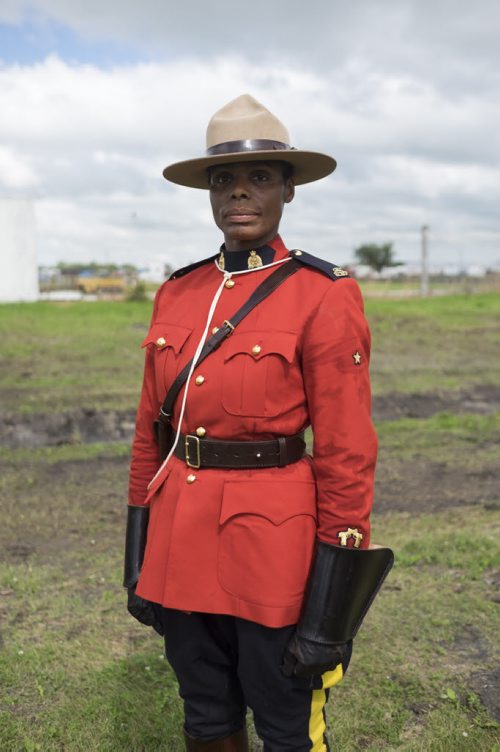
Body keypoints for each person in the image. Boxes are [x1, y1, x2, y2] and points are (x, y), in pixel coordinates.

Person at [124, 94, 393, 752]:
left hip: (273, 549)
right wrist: (137, 555)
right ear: (209, 192)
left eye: (260, 177)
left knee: (283, 720)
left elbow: (346, 455)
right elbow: (148, 436)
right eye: (223, 179)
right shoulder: (178, 291)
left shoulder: (322, 294)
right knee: (206, 712)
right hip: (179, 541)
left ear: (287, 190)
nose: (239, 192)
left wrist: (332, 602)